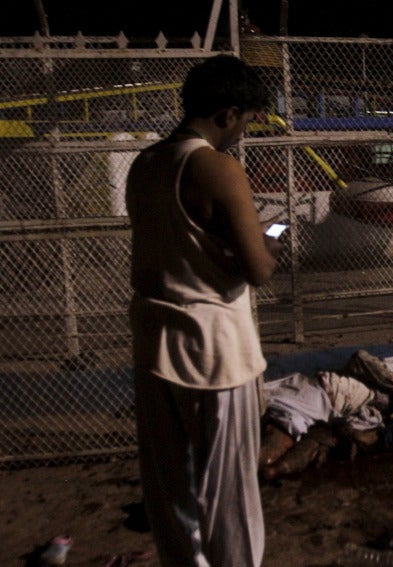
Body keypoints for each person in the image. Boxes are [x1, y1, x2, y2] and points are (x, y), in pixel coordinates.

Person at [126, 55, 281, 567]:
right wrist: (269, 240)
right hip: (215, 354)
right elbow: (257, 269)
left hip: (155, 346)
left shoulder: (145, 166)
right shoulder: (216, 167)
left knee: (172, 492)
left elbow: (181, 247)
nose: (243, 131)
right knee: (229, 498)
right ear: (226, 113)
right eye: (246, 120)